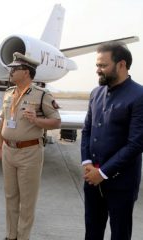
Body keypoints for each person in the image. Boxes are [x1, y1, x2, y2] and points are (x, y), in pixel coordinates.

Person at [81, 42, 143, 240]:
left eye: (103, 65)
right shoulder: (95, 93)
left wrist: (103, 172)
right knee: (92, 232)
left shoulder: (139, 96)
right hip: (92, 179)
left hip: (121, 183)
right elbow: (87, 130)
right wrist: (87, 163)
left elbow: (136, 144)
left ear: (121, 64)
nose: (98, 70)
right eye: (97, 65)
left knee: (120, 234)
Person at [0, 52, 61, 240]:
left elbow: (56, 122)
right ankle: (11, 235)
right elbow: (3, 121)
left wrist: (37, 120)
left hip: (29, 152)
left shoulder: (41, 95)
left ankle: (23, 236)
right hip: (9, 151)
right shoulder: (8, 93)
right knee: (10, 197)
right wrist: (1, 146)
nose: (10, 71)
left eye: (14, 69)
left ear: (25, 72)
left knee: (27, 201)